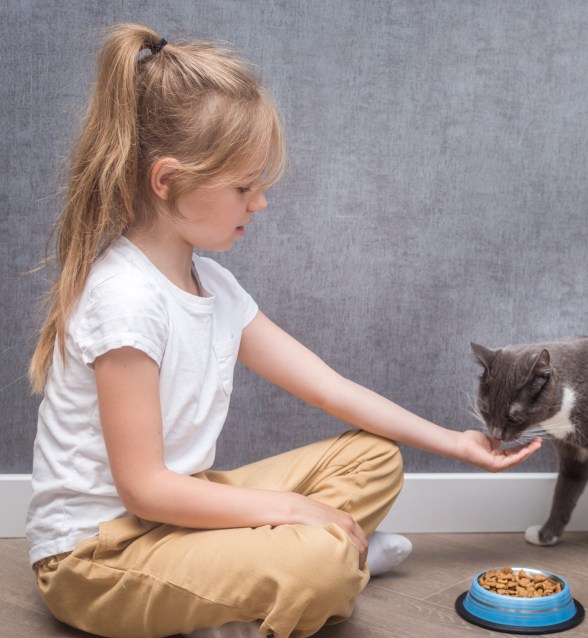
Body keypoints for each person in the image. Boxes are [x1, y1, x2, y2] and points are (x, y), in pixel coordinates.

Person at [25, 24, 541, 638]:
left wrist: (454, 444)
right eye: (245, 187)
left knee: (373, 456)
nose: (260, 203)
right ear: (167, 181)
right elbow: (145, 491)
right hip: (99, 558)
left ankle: (290, 572)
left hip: (177, 516)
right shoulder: (125, 299)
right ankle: (308, 577)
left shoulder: (212, 286)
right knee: (316, 566)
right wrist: (298, 509)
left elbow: (329, 388)